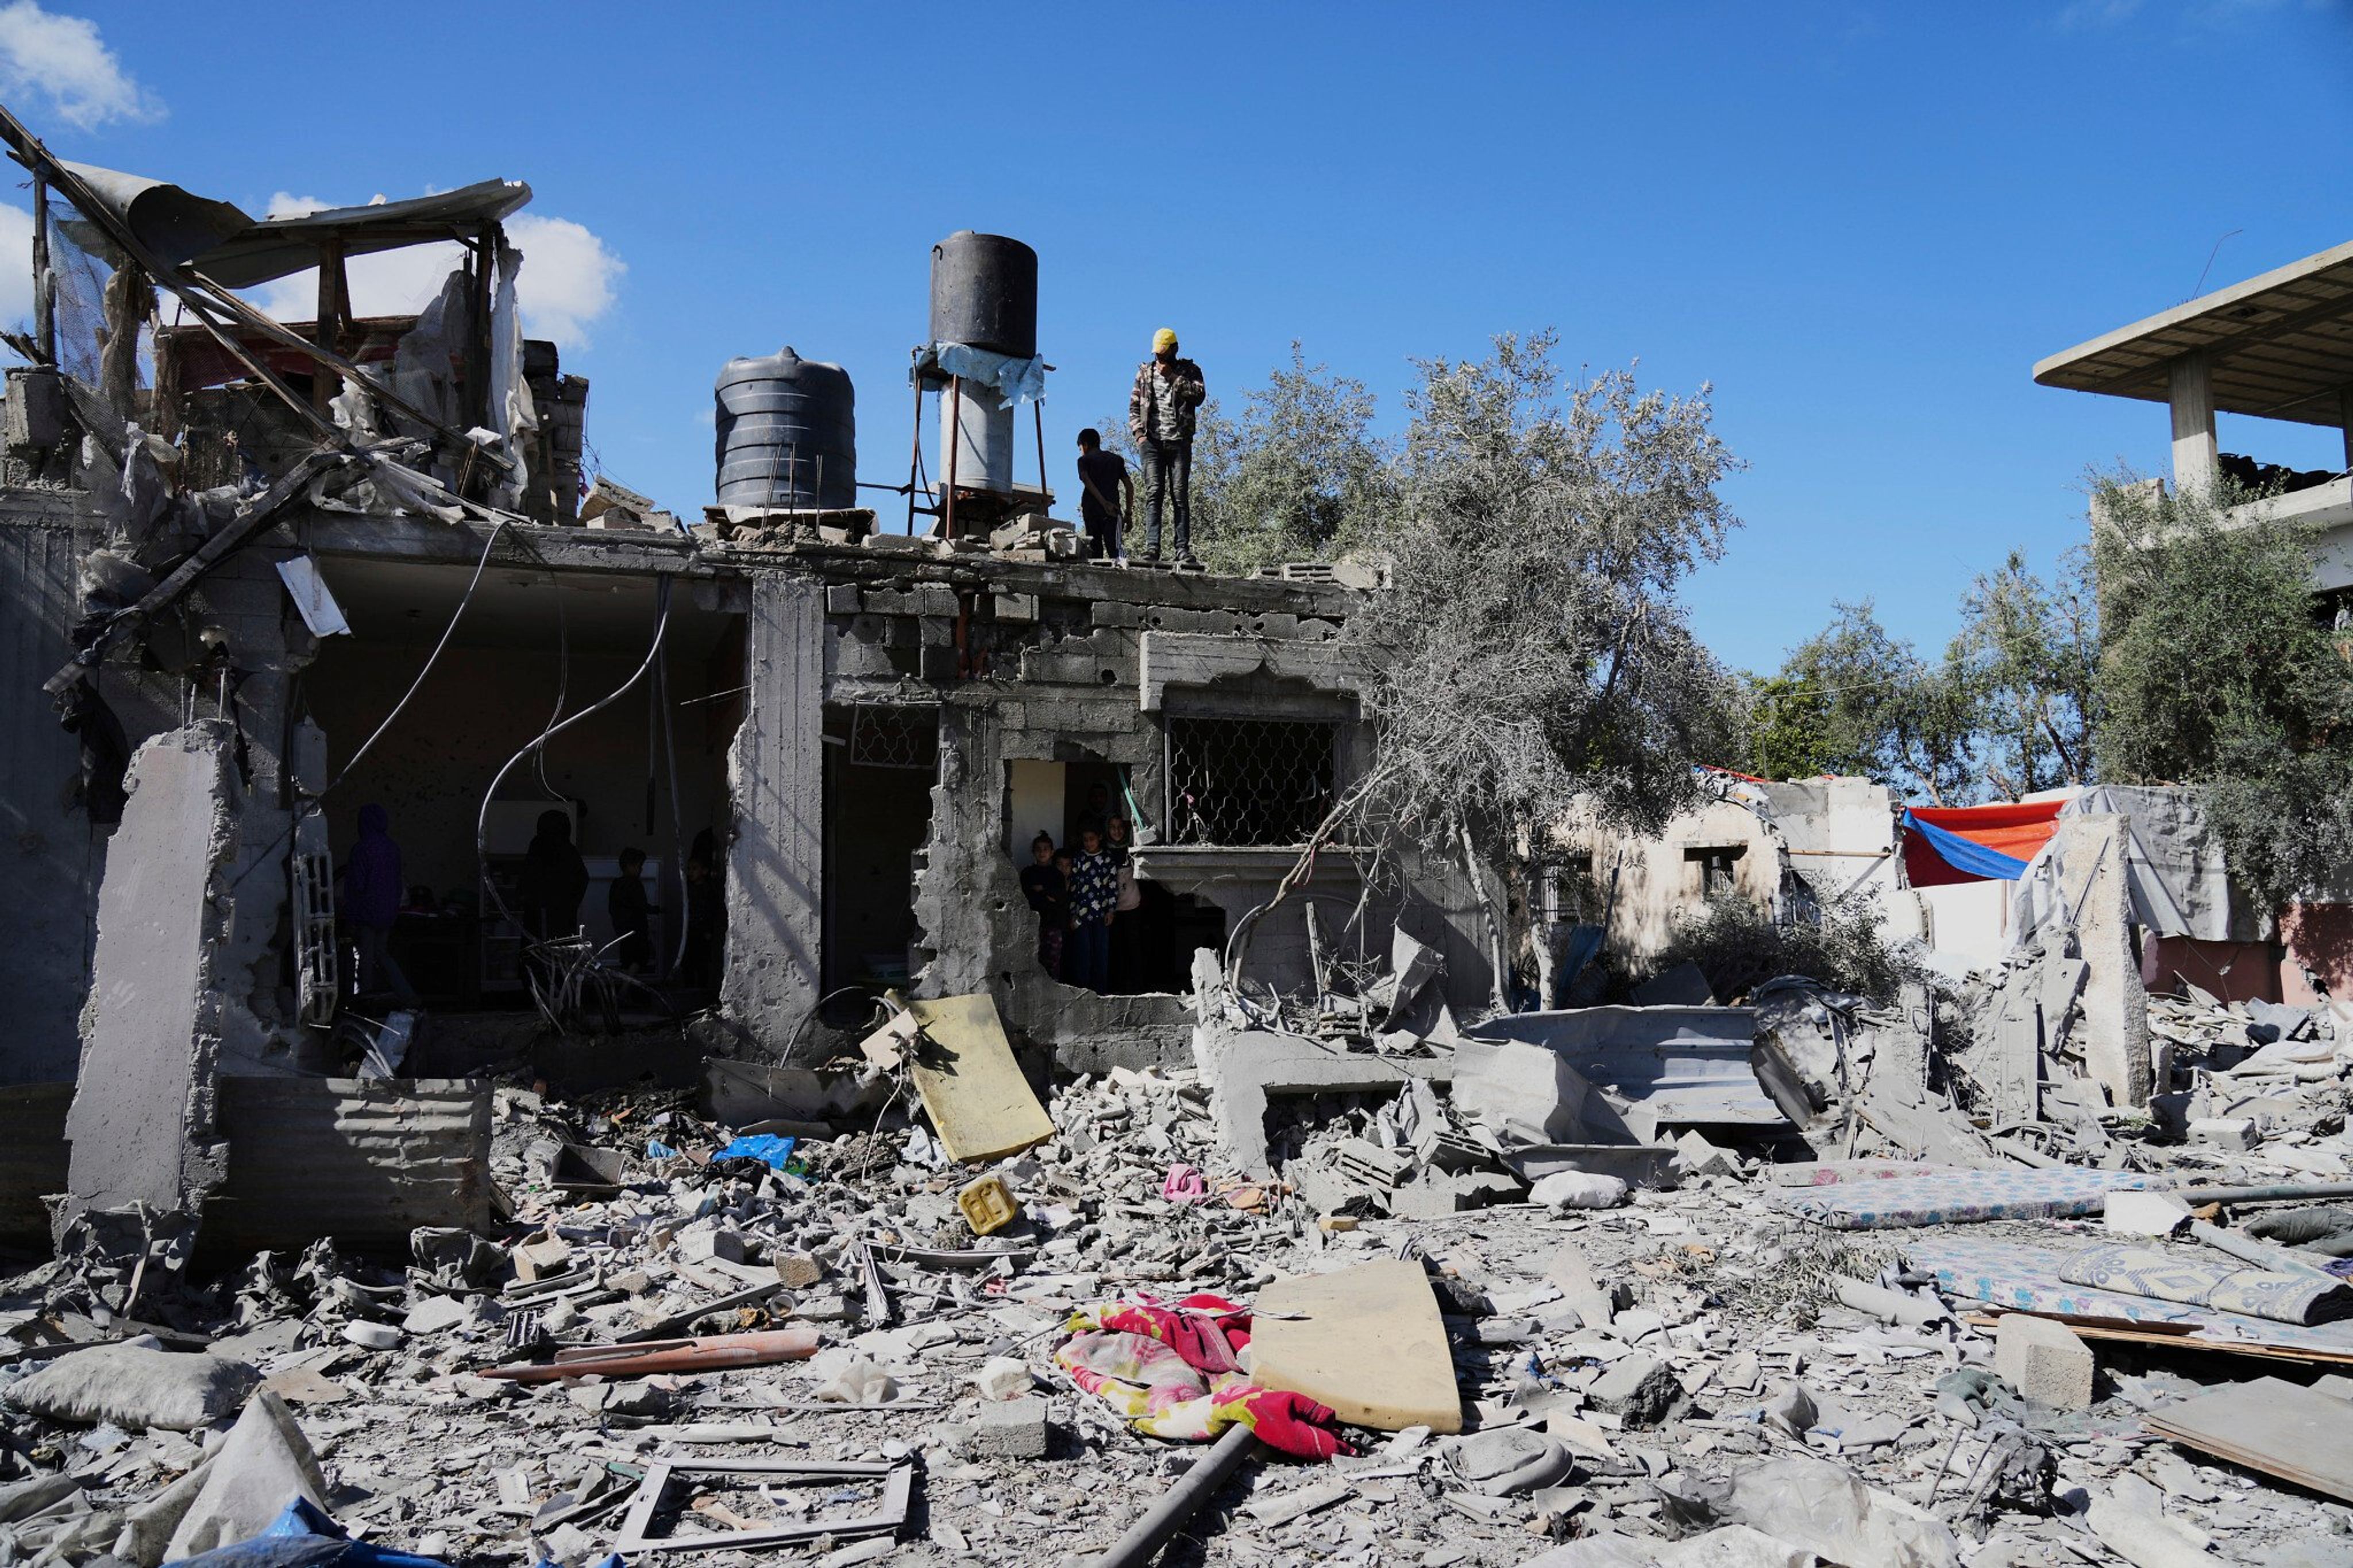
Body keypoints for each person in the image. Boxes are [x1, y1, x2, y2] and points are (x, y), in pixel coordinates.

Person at [1127, 327, 1206, 567]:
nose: (1159, 359)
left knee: (1180, 495)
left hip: (1179, 442)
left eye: (1164, 353)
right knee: (1154, 494)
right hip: (1151, 443)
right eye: (1157, 354)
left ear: (1175, 349)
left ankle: (1182, 549)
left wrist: (1173, 377)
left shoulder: (1190, 371)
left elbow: (1199, 396)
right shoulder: (1145, 373)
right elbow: (1133, 407)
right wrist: (1139, 435)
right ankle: (1152, 548)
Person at [340, 803, 415, 1002]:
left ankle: (365, 1000)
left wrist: (351, 916)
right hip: (388, 912)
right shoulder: (392, 848)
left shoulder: (362, 849)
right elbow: (398, 882)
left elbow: (357, 885)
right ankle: (409, 997)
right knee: (382, 954)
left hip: (366, 912)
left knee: (364, 958)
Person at [518, 808, 589, 946]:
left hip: (540, 915)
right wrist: (570, 903)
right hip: (560, 915)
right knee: (559, 953)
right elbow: (582, 879)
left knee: (540, 953)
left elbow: (526, 880)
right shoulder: (567, 850)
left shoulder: (538, 847)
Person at [1066, 825, 1118, 993]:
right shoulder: (1079, 858)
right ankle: (1083, 992)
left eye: (1092, 839)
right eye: (1086, 840)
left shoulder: (1107, 859)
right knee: (1083, 954)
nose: (1089, 843)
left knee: (1101, 954)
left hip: (1101, 915)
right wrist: (1073, 913)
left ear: (1100, 837)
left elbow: (1112, 885)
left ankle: (1100, 992)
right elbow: (1074, 887)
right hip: (1081, 916)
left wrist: (1111, 910)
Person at [1074, 427, 1133, 562]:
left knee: (1094, 550)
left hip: (1091, 511)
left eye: (1080, 448)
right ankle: (1123, 574)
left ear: (1085, 445)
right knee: (1116, 549)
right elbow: (1129, 485)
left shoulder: (1083, 461)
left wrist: (1103, 502)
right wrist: (1128, 513)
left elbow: (1086, 480)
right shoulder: (1116, 460)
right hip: (1113, 512)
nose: (1081, 452)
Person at [1017, 832, 1067, 979]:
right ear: (1033, 852)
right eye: (1038, 849)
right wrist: (1047, 896)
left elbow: (1060, 898)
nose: (1042, 852)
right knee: (1032, 962)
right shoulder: (1028, 873)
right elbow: (1027, 898)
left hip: (1053, 924)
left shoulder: (1057, 875)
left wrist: (1043, 890)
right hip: (1032, 924)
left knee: (1052, 963)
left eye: (1046, 849)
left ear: (1052, 852)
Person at [1104, 814, 1145, 992]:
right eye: (1112, 827)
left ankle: (1136, 985)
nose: (1117, 831)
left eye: (1120, 827)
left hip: (1132, 906)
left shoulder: (1132, 850)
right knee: (1116, 947)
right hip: (1112, 909)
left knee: (1134, 946)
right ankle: (1118, 985)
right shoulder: (1103, 851)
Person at [682, 828, 723, 992]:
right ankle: (690, 989)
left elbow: (711, 911)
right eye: (689, 868)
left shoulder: (708, 890)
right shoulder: (688, 888)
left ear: (704, 871)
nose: (690, 872)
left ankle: (700, 991)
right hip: (690, 930)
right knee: (688, 962)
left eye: (694, 869)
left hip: (702, 932)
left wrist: (708, 930)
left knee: (702, 962)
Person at [608, 845, 661, 974]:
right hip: (636, 930)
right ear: (630, 866)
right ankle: (626, 988)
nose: (641, 870)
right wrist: (659, 910)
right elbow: (642, 906)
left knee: (627, 959)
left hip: (622, 930)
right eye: (639, 866)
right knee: (640, 957)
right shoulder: (635, 884)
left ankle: (625, 986)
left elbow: (612, 908)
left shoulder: (617, 884)